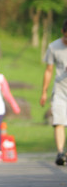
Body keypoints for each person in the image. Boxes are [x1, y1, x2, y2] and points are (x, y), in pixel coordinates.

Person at [40, 18, 67, 166]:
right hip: (60, 90)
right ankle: (60, 152)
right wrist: (44, 92)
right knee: (59, 122)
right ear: (63, 32)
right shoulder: (54, 47)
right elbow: (48, 71)